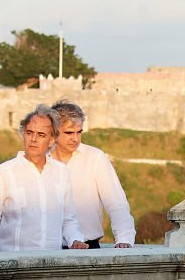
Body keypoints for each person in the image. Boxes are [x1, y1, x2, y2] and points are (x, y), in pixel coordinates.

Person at [0, 104, 88, 251]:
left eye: (41, 135)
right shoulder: (4, 172)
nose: (34, 139)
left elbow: (68, 220)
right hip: (12, 267)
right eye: (29, 133)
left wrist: (75, 240)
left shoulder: (62, 173)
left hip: (52, 266)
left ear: (52, 140)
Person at [49, 100, 135, 248]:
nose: (75, 138)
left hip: (88, 246)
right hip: (46, 247)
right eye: (69, 132)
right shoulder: (41, 159)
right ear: (54, 131)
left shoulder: (95, 157)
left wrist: (124, 239)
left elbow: (115, 201)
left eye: (79, 132)